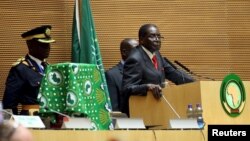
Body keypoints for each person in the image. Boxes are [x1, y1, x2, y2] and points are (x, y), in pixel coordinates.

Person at [122, 24, 194, 115]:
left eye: (159, 36)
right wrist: (147, 87)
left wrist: (195, 83)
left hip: (156, 110)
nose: (157, 39)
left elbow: (173, 73)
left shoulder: (156, 54)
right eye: (152, 36)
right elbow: (127, 88)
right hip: (141, 113)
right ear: (141, 39)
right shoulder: (135, 59)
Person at [2, 25, 55, 115]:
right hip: (30, 119)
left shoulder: (49, 68)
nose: (48, 48)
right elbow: (9, 104)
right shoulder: (20, 69)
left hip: (51, 118)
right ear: (30, 45)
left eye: (48, 44)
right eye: (43, 45)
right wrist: (14, 126)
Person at [105, 38, 138, 112]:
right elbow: (114, 109)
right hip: (126, 122)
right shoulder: (111, 75)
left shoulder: (143, 72)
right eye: (136, 50)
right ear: (124, 52)